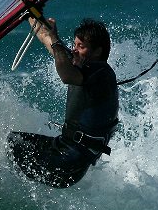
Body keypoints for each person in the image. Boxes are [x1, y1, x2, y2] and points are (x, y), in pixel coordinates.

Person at [7, 17, 119, 188]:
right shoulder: (80, 65)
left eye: (81, 47)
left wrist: (56, 40)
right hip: (61, 147)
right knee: (10, 141)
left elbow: (66, 75)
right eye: (74, 45)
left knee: (5, 150)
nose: (75, 50)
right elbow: (47, 39)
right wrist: (30, 13)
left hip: (68, 163)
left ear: (97, 51)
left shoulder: (101, 71)